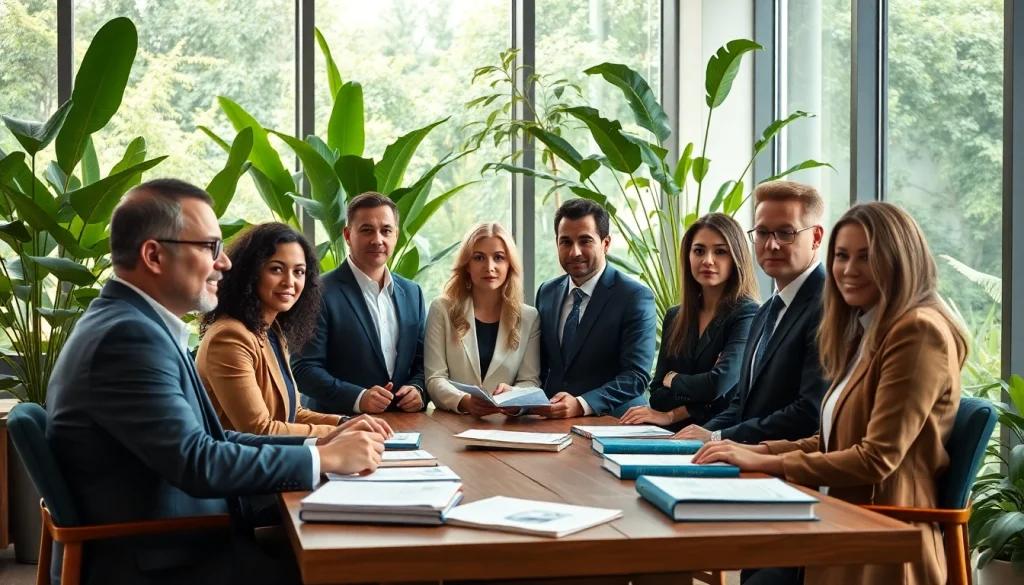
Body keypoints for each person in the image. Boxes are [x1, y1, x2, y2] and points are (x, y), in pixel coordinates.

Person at [45, 179, 388, 585]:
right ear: (153, 255)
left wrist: (321, 443)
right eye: (210, 247)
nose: (224, 263)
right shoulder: (127, 338)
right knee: (359, 569)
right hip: (162, 557)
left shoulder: (136, 325)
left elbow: (214, 438)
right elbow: (198, 461)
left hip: (180, 537)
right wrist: (323, 459)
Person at [694, 202, 966, 585]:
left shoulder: (917, 331)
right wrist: (757, 452)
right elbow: (835, 440)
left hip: (881, 537)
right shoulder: (869, 330)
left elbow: (875, 459)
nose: (848, 270)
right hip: (837, 519)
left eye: (866, 257)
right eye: (841, 256)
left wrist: (771, 463)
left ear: (900, 260)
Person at [676, 181, 829, 445]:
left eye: (785, 232)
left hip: (794, 470)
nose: (771, 245)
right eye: (762, 233)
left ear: (816, 237)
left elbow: (810, 412)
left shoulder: (830, 306)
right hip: (747, 464)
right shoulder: (766, 310)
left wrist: (717, 437)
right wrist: (692, 440)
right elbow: (742, 406)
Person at [197, 222, 349, 437]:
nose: (290, 282)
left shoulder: (272, 331)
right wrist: (341, 433)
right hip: (241, 466)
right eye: (276, 269)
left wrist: (345, 422)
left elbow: (292, 414)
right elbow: (258, 429)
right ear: (251, 273)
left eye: (299, 272)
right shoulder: (229, 337)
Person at [292, 192, 428, 415]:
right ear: (347, 235)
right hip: (337, 425)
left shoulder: (413, 293)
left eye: (386, 231)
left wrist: (418, 389)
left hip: (405, 427)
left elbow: (423, 362)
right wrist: (358, 398)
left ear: (396, 236)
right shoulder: (317, 292)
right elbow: (304, 369)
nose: (378, 240)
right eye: (367, 230)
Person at [620, 214, 759, 431]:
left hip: (719, 436)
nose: (708, 260)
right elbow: (657, 394)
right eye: (699, 251)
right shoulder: (675, 316)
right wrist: (700, 387)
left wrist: (673, 381)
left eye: (720, 251)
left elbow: (719, 386)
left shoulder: (747, 314)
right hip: (669, 434)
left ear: (736, 257)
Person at [533, 198, 657, 419]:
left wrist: (581, 404)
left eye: (585, 241)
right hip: (552, 422)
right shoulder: (547, 292)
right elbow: (540, 368)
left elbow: (636, 376)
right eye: (566, 242)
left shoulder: (635, 297)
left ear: (606, 243)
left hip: (614, 424)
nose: (574, 252)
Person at [424, 222, 542, 416]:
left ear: (509, 264)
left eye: (499, 258)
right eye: (479, 258)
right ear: (467, 265)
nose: (489, 267)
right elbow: (435, 378)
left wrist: (514, 395)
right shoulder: (442, 309)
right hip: (452, 426)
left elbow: (530, 381)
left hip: (506, 427)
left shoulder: (529, 317)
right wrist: (464, 401)